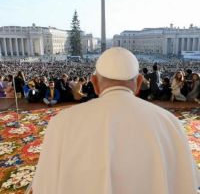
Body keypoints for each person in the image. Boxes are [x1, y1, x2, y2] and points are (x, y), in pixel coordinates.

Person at [32, 47, 199, 194]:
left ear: (95, 83)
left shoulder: (61, 123)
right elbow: (188, 185)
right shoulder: (170, 122)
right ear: (139, 83)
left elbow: (43, 187)